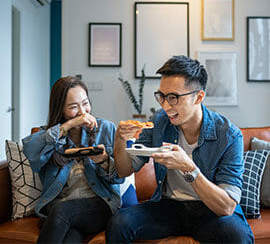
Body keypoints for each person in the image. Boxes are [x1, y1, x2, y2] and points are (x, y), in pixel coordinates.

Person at [106, 55, 254, 243]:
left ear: (198, 97)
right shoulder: (159, 122)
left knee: (237, 236)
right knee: (119, 222)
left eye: (173, 98)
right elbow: (124, 170)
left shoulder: (229, 136)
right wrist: (120, 139)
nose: (165, 106)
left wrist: (189, 168)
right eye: (161, 96)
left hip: (210, 211)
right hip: (168, 206)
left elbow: (226, 207)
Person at [22, 76, 123, 244]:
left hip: (99, 205)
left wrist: (102, 161)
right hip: (61, 208)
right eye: (74, 107)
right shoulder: (49, 135)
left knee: (62, 211)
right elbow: (29, 150)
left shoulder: (105, 128)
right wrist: (68, 126)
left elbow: (119, 177)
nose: (83, 112)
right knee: (70, 236)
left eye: (85, 103)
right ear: (60, 109)